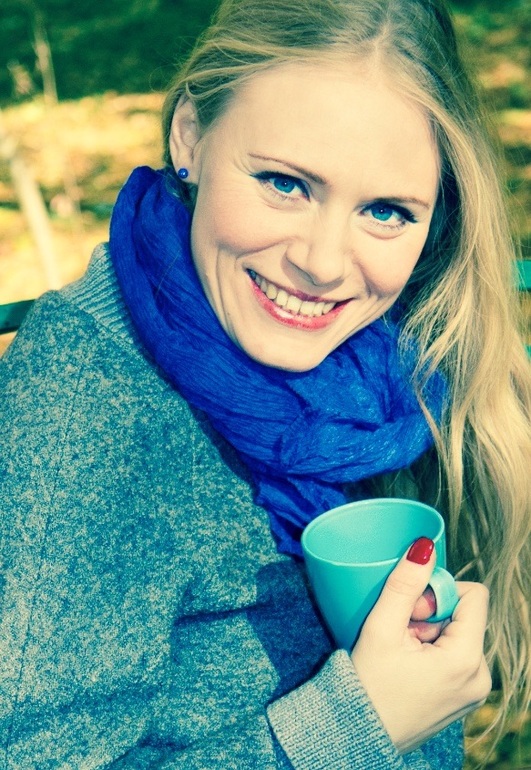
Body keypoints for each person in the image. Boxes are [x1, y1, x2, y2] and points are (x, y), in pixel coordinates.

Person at [0, 0, 529, 766]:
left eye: (385, 211)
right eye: (284, 183)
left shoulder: (379, 363)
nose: (321, 263)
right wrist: (356, 724)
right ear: (190, 134)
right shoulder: (84, 410)